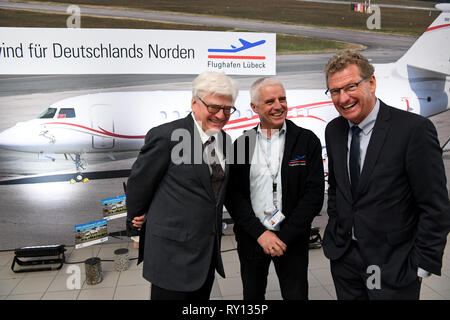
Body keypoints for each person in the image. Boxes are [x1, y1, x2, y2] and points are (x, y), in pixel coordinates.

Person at [322, 50, 450, 300]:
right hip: (346, 260)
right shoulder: (334, 130)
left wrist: (422, 264)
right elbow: (337, 188)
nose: (343, 97)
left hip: (394, 263)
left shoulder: (413, 130)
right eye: (335, 91)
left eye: (350, 86)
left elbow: (435, 205)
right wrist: (336, 231)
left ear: (371, 82)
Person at [125, 71, 238, 300]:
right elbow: (139, 185)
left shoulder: (225, 140)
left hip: (206, 254)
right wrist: (137, 229)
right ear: (194, 103)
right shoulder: (167, 136)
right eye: (214, 107)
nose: (221, 115)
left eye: (228, 109)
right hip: (172, 256)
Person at [225, 77, 324, 300]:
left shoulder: (307, 141)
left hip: (293, 239)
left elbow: (314, 194)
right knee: (252, 296)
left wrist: (285, 237)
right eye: (270, 101)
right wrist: (261, 234)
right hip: (253, 238)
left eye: (282, 99)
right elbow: (233, 196)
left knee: (296, 295)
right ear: (254, 107)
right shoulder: (242, 144)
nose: (279, 106)